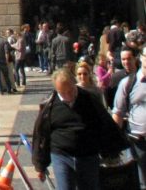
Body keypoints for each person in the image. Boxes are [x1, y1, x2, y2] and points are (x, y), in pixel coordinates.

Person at [32, 63, 127, 188]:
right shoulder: (49, 104)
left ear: (74, 83)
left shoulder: (89, 99)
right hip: (61, 155)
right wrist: (40, 165)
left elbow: (105, 124)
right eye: (63, 93)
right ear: (56, 89)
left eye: (71, 90)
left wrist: (111, 152)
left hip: (88, 156)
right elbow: (41, 134)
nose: (68, 96)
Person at [111, 47, 146, 187]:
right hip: (138, 142)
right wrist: (113, 142)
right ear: (141, 58)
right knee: (140, 181)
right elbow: (118, 113)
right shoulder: (127, 83)